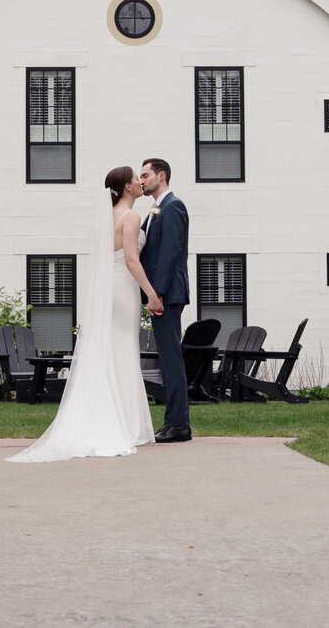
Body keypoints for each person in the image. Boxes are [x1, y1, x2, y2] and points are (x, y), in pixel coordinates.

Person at [5, 167, 161, 463]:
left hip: (109, 290)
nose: (141, 183)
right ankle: (125, 425)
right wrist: (151, 293)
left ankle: (115, 419)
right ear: (126, 187)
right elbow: (131, 259)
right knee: (123, 351)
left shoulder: (105, 218)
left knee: (111, 353)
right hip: (124, 289)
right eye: (136, 180)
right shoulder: (131, 217)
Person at [139, 158, 192, 443]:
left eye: (146, 175)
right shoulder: (156, 210)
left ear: (162, 175)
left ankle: (179, 424)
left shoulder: (174, 206)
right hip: (162, 293)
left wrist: (156, 293)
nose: (142, 180)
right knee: (168, 359)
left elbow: (171, 252)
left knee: (171, 360)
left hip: (167, 295)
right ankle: (174, 422)